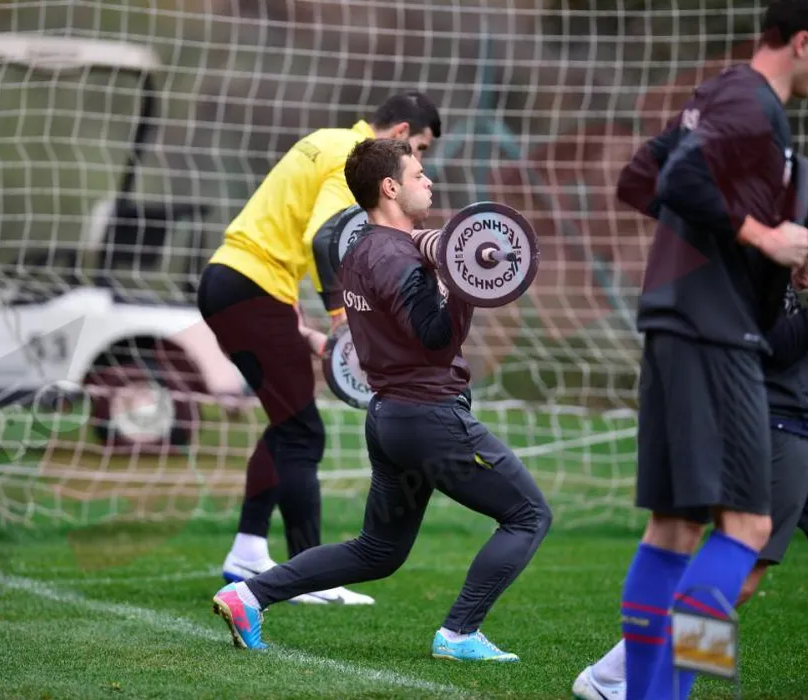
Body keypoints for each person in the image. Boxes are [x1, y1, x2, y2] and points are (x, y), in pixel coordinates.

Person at [210, 138, 552, 660]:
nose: (429, 181)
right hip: (431, 417)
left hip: (390, 419)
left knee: (380, 549)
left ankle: (250, 595)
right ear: (390, 187)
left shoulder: (361, 251)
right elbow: (435, 341)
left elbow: (406, 286)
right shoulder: (395, 258)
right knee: (528, 515)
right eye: (418, 174)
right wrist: (463, 284)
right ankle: (459, 633)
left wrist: (443, 258)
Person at [611, 1, 808, 698]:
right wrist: (763, 238)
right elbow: (682, 180)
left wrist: (736, 252)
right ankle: (674, 691)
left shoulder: (718, 92)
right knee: (746, 527)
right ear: (802, 42)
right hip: (715, 337)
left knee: (673, 531)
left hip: (676, 325)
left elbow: (640, 179)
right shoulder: (754, 104)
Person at [573, 250, 808, 700]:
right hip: (773, 430)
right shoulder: (732, 260)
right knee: (740, 580)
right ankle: (614, 674)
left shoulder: (766, 258)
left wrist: (798, 280)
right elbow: (777, 347)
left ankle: (624, 679)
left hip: (807, 431)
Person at [197, 92, 442, 605]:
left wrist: (303, 325)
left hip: (236, 281)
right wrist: (342, 318)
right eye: (419, 149)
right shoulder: (353, 156)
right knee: (302, 432)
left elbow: (288, 235)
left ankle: (248, 552)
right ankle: (308, 576)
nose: (418, 163)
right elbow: (325, 236)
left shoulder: (327, 140)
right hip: (250, 287)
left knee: (288, 423)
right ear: (400, 133)